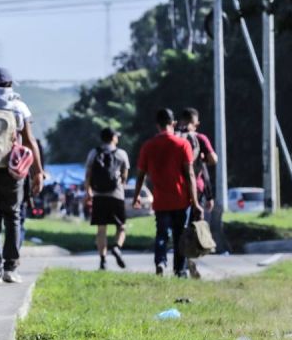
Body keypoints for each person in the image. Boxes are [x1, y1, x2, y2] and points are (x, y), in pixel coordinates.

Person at [0, 67, 44, 285]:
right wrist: (38, 172)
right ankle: (10, 267)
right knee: (13, 217)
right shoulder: (18, 106)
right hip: (13, 171)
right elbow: (29, 140)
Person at [133, 108, 203, 277]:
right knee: (180, 235)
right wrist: (195, 201)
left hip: (161, 200)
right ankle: (179, 270)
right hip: (181, 199)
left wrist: (136, 197)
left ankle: (160, 262)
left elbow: (140, 175)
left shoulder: (148, 146)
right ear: (173, 124)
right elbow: (190, 174)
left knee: (162, 234)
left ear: (157, 125)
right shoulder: (182, 144)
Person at [178, 107, 218, 279]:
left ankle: (180, 266)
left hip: (176, 189)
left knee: (179, 227)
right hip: (197, 188)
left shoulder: (174, 136)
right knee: (193, 228)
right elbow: (213, 160)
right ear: (196, 123)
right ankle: (190, 263)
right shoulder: (200, 138)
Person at [84, 127, 130, 270]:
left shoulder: (94, 153)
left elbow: (88, 175)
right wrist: (120, 184)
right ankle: (116, 247)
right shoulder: (121, 154)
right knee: (121, 227)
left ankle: (103, 260)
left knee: (101, 229)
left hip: (98, 195)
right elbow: (125, 176)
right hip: (116, 195)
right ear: (113, 138)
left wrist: (88, 192)